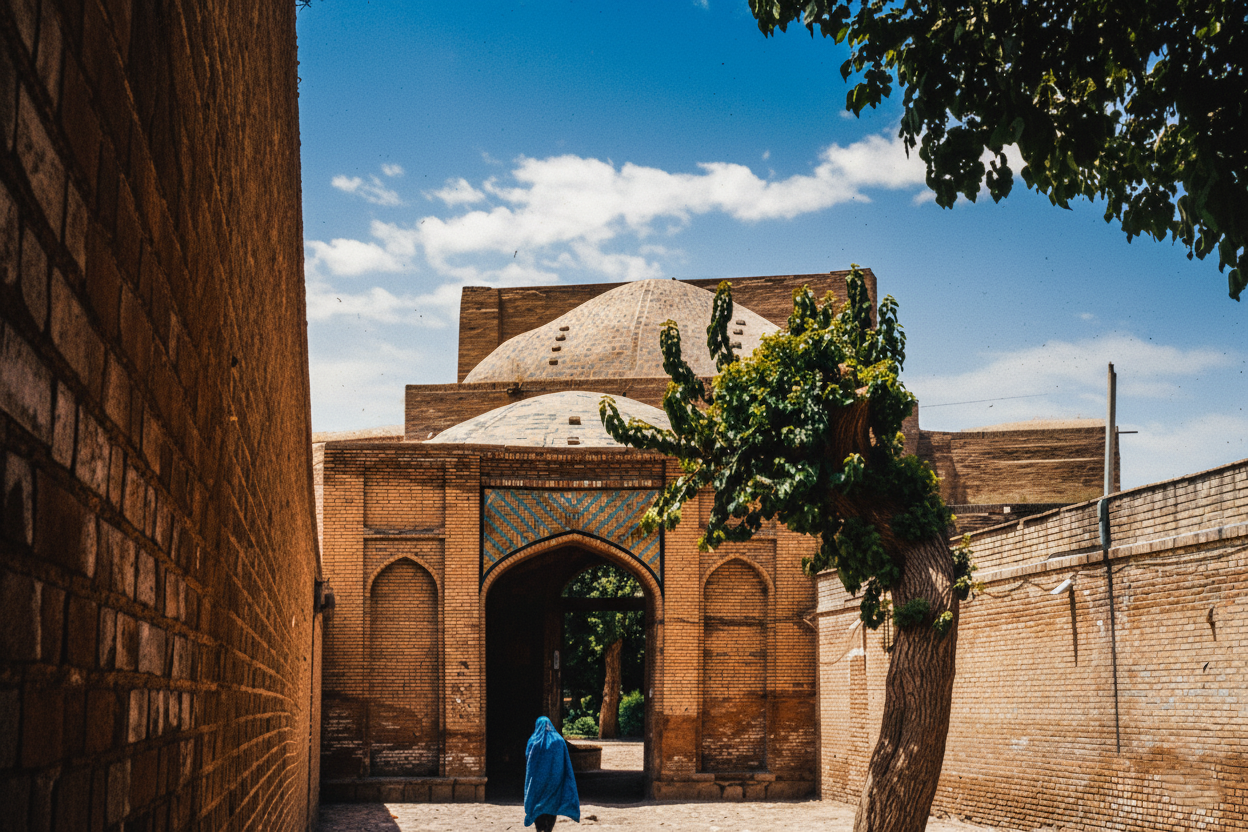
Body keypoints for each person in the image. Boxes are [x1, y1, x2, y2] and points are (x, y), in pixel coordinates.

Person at [523, 716, 580, 830]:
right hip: (555, 781)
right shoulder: (559, 741)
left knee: (537, 805)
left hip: (537, 783)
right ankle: (549, 829)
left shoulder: (534, 741)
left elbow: (528, 758)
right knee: (552, 805)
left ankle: (539, 829)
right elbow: (565, 761)